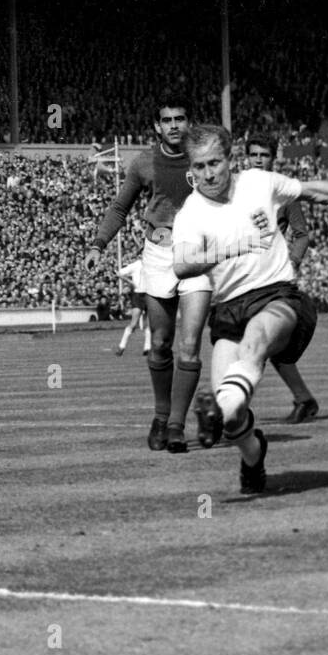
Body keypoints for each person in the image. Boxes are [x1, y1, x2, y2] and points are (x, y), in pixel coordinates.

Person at [173, 124, 328, 493]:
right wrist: (226, 250)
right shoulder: (191, 211)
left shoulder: (258, 182)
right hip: (228, 310)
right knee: (233, 415)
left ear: (230, 158)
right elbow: (181, 264)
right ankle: (253, 454)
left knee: (255, 342)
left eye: (215, 163)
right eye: (200, 166)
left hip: (277, 296)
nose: (208, 174)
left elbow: (315, 190)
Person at [85, 105, 219, 453]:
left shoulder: (204, 159)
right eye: (167, 121)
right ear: (157, 126)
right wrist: (99, 244)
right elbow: (119, 208)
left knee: (189, 344)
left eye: (180, 120)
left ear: (189, 123)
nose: (174, 126)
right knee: (160, 341)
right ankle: (161, 416)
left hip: (198, 257)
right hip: (158, 256)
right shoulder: (143, 163)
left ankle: (176, 425)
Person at [245, 135, 319, 423]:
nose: (259, 159)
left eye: (264, 154)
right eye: (254, 154)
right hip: (244, 275)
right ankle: (303, 398)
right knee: (259, 344)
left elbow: (301, 234)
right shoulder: (238, 188)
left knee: (254, 341)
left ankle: (236, 409)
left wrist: (293, 262)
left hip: (271, 278)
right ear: (247, 157)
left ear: (273, 158)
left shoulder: (284, 193)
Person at [115, 258, 151, 356]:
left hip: (150, 294)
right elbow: (119, 273)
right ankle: (121, 346)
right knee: (134, 323)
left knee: (148, 323)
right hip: (138, 295)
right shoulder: (136, 265)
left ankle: (147, 348)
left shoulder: (153, 263)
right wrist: (130, 282)